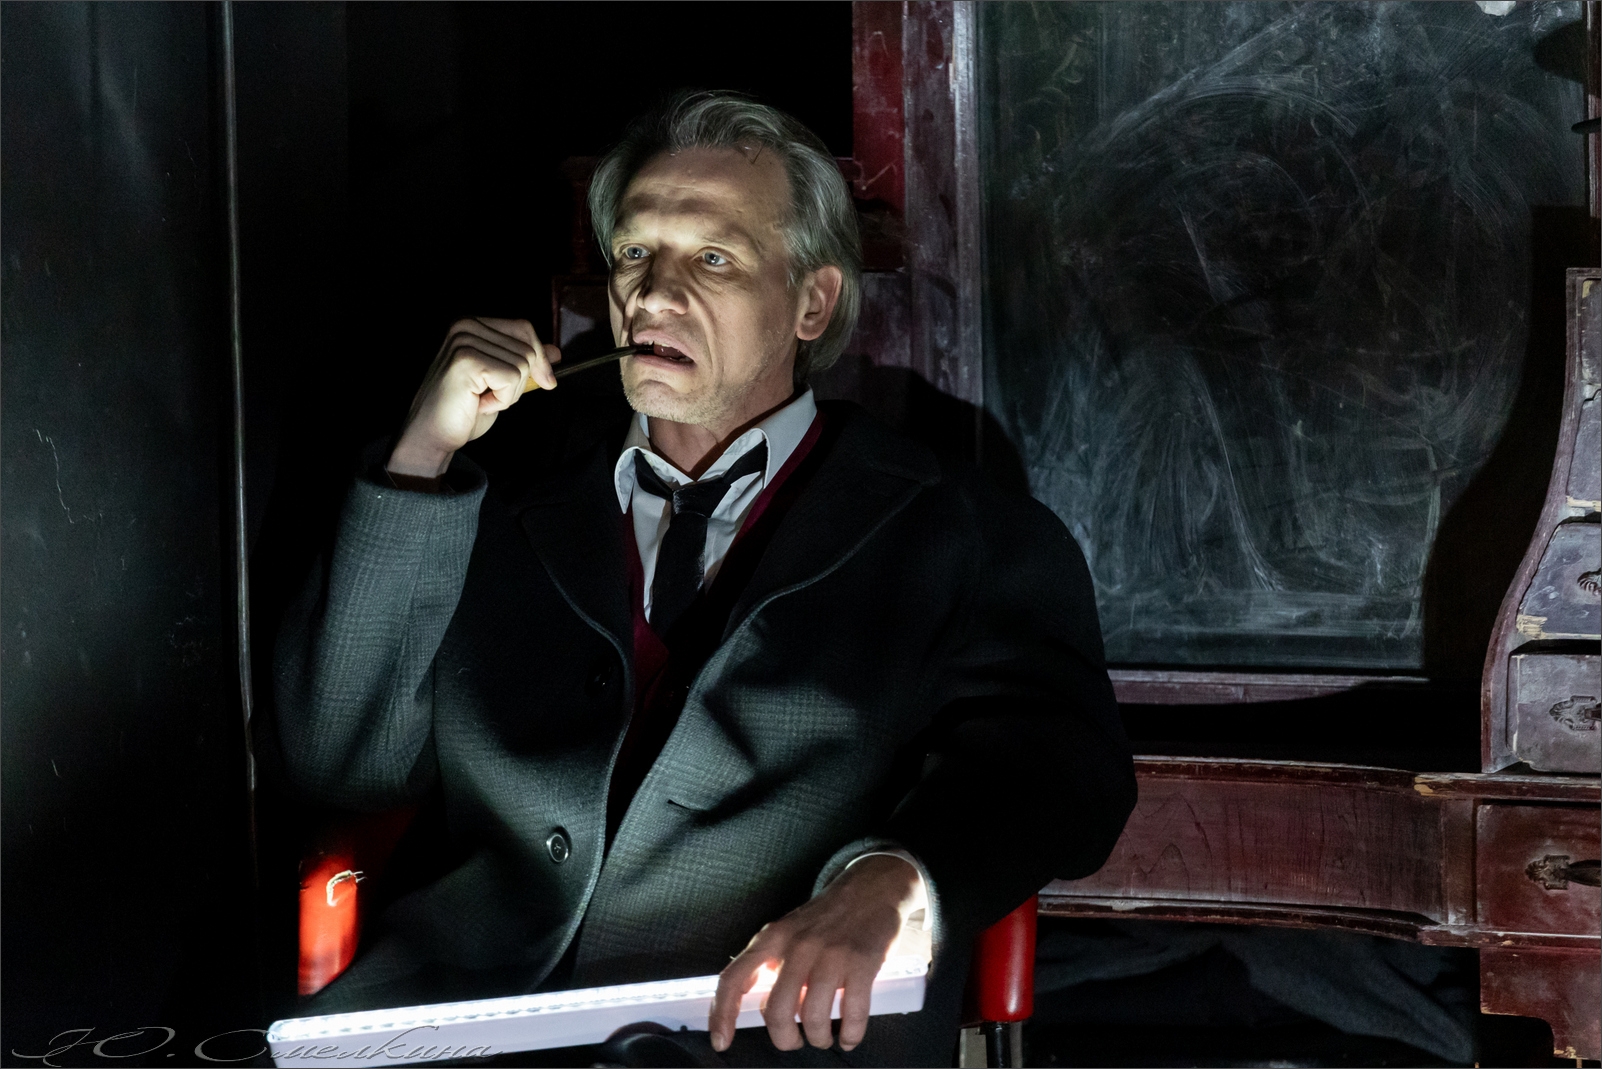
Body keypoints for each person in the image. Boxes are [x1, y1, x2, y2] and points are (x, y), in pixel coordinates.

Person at [275, 90, 1135, 1067]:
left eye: (713, 259)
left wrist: (894, 883)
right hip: (461, 1033)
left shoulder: (955, 528)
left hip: (760, 1037)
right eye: (634, 254)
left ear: (812, 303)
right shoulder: (497, 504)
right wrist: (422, 455)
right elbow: (342, 760)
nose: (654, 294)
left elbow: (1065, 768)